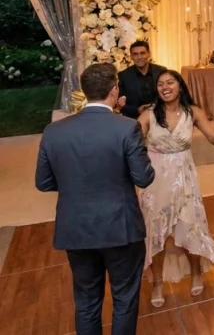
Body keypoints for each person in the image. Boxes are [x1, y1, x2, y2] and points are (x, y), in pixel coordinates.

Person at [35, 63, 155, 335]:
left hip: (76, 229)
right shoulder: (127, 128)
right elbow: (144, 177)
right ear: (114, 91)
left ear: (84, 92)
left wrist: (74, 185)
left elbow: (43, 182)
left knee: (86, 301)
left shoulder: (53, 131)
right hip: (121, 229)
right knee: (124, 299)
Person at [138, 70, 214, 307]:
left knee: (190, 226)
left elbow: (212, 138)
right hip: (155, 179)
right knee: (156, 230)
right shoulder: (148, 115)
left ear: (180, 86)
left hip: (185, 179)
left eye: (170, 82)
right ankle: (157, 281)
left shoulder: (193, 112)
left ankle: (196, 272)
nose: (165, 87)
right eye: (160, 84)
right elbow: (132, 142)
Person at [117, 41, 166, 119]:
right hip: (135, 120)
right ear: (131, 56)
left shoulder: (161, 71)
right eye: (135, 54)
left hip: (161, 116)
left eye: (142, 53)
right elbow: (121, 105)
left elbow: (168, 95)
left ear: (149, 54)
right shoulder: (123, 75)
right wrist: (137, 110)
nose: (139, 57)